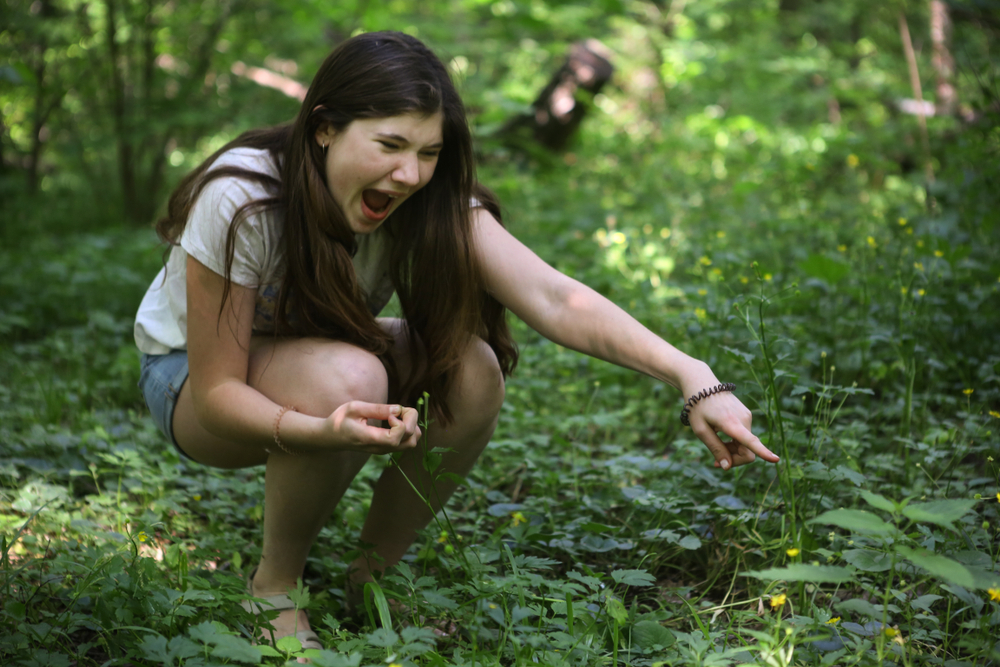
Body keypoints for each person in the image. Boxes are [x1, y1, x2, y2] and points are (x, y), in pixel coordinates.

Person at [134, 31, 779, 653]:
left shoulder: (427, 199)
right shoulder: (244, 196)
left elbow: (556, 298)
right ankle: (273, 586)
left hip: (321, 360)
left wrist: (692, 374)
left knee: (471, 369)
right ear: (324, 127)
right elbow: (218, 392)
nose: (409, 173)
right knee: (351, 378)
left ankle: (373, 578)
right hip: (192, 383)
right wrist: (319, 431)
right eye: (388, 144)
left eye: (429, 151)